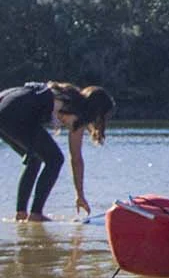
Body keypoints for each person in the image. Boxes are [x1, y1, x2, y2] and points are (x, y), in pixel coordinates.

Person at [1, 81, 115, 221]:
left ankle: (21, 213)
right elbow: (76, 159)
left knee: (35, 158)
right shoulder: (78, 113)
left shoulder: (67, 94)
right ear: (97, 111)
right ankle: (36, 214)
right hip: (16, 112)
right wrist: (80, 195)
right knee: (55, 159)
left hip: (6, 105)